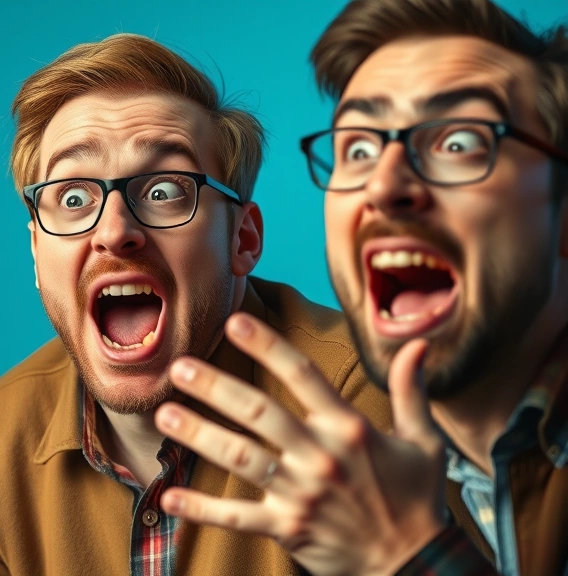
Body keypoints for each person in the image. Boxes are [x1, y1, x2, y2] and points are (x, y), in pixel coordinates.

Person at [0, 33, 391, 575]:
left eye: (165, 190)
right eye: (74, 198)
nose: (115, 230)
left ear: (242, 240)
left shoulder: (362, 404)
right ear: (36, 251)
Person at [152, 1, 568, 575]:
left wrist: (406, 555)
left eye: (457, 142)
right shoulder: (379, 474)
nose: (385, 183)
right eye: (360, 149)